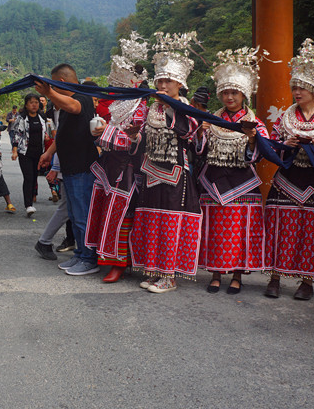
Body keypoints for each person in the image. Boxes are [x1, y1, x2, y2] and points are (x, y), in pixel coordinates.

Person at [264, 39, 314, 300]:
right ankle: (275, 276)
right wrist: (285, 145)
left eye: (302, 88)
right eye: (295, 87)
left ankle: (307, 281)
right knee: (280, 228)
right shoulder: (286, 115)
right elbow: (272, 142)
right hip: (286, 180)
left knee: (311, 232)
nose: (297, 92)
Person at [129, 32, 202, 293]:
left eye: (168, 80)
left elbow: (188, 134)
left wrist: (171, 108)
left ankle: (169, 276)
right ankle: (153, 270)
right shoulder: (152, 108)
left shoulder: (185, 108)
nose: (162, 84)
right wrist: (134, 136)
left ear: (179, 84)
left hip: (174, 175)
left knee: (170, 223)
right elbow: (144, 139)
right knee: (151, 221)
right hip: (151, 171)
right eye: (159, 79)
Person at [196, 47, 270, 294]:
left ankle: (237, 275)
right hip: (213, 182)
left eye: (234, 93)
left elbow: (261, 154)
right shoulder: (211, 119)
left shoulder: (255, 123)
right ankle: (216, 273)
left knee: (240, 232)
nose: (229, 97)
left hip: (244, 184)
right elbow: (199, 151)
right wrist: (201, 132)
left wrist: (251, 139)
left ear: (243, 95)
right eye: (225, 92)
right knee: (215, 230)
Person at [85, 34, 150, 283]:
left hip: (128, 170)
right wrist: (102, 133)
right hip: (110, 165)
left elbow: (136, 139)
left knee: (123, 216)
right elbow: (113, 134)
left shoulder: (141, 107)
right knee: (109, 213)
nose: (114, 81)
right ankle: (109, 257)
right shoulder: (116, 104)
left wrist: (108, 132)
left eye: (119, 77)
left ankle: (121, 262)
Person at [36, 64, 99, 276]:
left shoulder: (82, 97)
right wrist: (49, 153)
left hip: (82, 168)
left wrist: (49, 92)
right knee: (73, 213)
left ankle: (90, 259)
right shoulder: (62, 105)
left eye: (54, 85)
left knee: (82, 215)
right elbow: (62, 134)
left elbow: (73, 107)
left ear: (60, 82)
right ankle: (80, 254)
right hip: (69, 168)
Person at [11, 94, 49, 216]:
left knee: (34, 178)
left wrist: (46, 136)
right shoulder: (22, 118)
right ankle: (28, 205)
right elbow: (17, 135)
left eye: (36, 102)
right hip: (25, 152)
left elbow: (45, 130)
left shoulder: (42, 116)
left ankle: (31, 199)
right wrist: (15, 151)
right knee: (28, 177)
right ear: (26, 105)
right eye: (31, 102)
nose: (34, 105)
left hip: (39, 152)